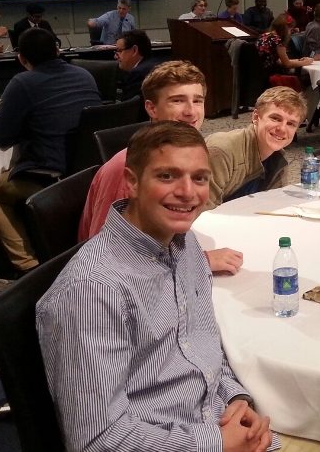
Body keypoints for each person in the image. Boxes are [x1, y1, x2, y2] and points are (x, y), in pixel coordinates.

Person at [37, 121, 275, 452]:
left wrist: (234, 395)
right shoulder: (92, 291)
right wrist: (215, 444)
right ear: (132, 182)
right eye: (167, 176)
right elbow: (95, 440)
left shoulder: (185, 244)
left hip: (216, 418)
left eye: (199, 178)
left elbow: (201, 344)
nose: (188, 192)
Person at [76, 61, 243, 275]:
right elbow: (106, 253)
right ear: (151, 108)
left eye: (197, 101)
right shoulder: (127, 167)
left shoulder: (186, 155)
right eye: (177, 101)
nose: (191, 112)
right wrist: (201, 261)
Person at [0, 28, 101, 281]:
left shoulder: (23, 83)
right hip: (88, 171)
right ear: (57, 49)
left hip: (49, 176)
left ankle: (28, 266)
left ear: (21, 58)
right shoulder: (84, 75)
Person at [206, 86, 306, 207]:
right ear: (255, 117)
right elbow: (200, 213)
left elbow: (276, 207)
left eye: (291, 124)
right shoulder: (222, 152)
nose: (282, 129)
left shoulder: (278, 159)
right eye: (275, 118)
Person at [115, 29, 160, 101]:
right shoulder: (156, 65)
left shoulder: (138, 74)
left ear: (134, 50)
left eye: (119, 51)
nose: (115, 56)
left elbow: (128, 108)